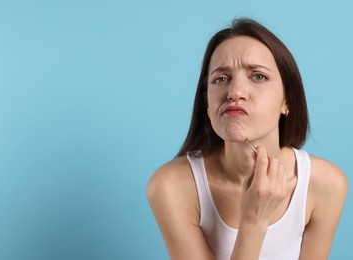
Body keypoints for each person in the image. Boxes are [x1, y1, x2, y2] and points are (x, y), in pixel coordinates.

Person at [146, 18, 348, 260]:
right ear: (206, 104)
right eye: (221, 79)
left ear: (288, 101)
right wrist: (253, 222)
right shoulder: (171, 186)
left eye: (258, 77)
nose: (235, 93)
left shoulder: (326, 185)